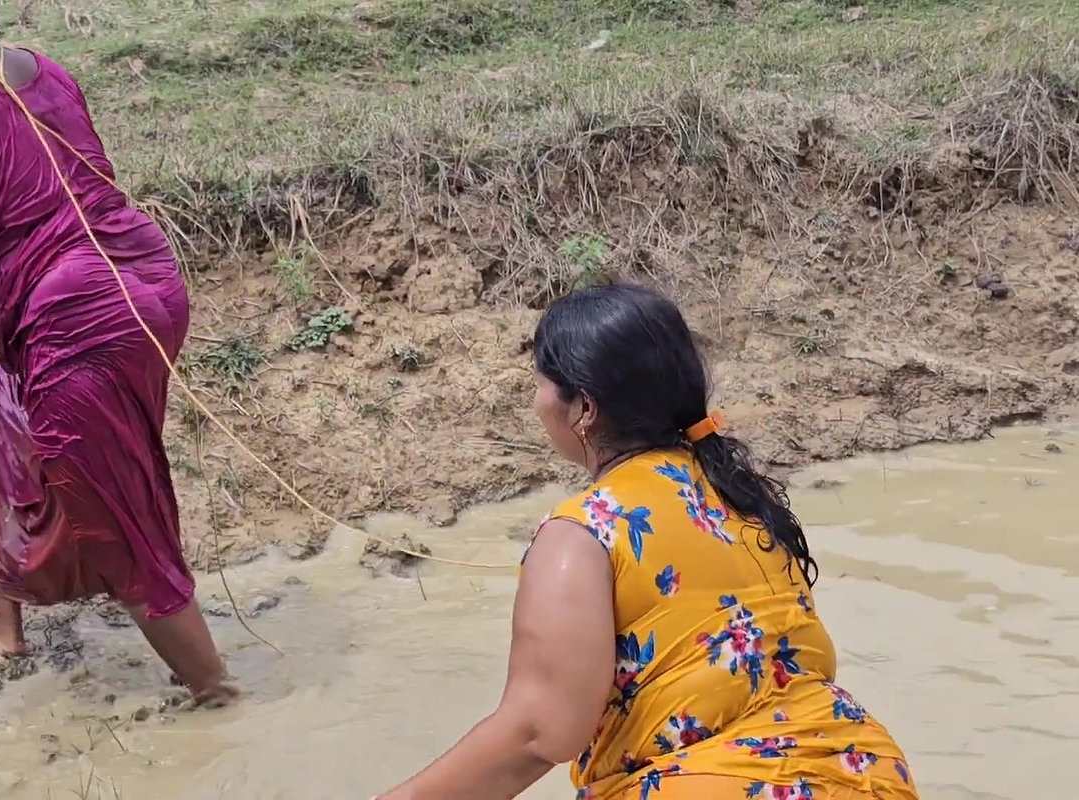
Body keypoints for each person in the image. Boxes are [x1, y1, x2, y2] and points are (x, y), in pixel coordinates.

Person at [375, 284, 917, 799]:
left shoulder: (585, 530)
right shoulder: (743, 497)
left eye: (539, 384)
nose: (536, 402)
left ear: (583, 407)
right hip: (868, 771)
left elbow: (540, 730)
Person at [0, 0, 237, 704]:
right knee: (3, 406)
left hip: (80, 322)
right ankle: (3, 614)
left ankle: (217, 694)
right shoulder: (42, 70)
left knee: (121, 518)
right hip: (143, 282)